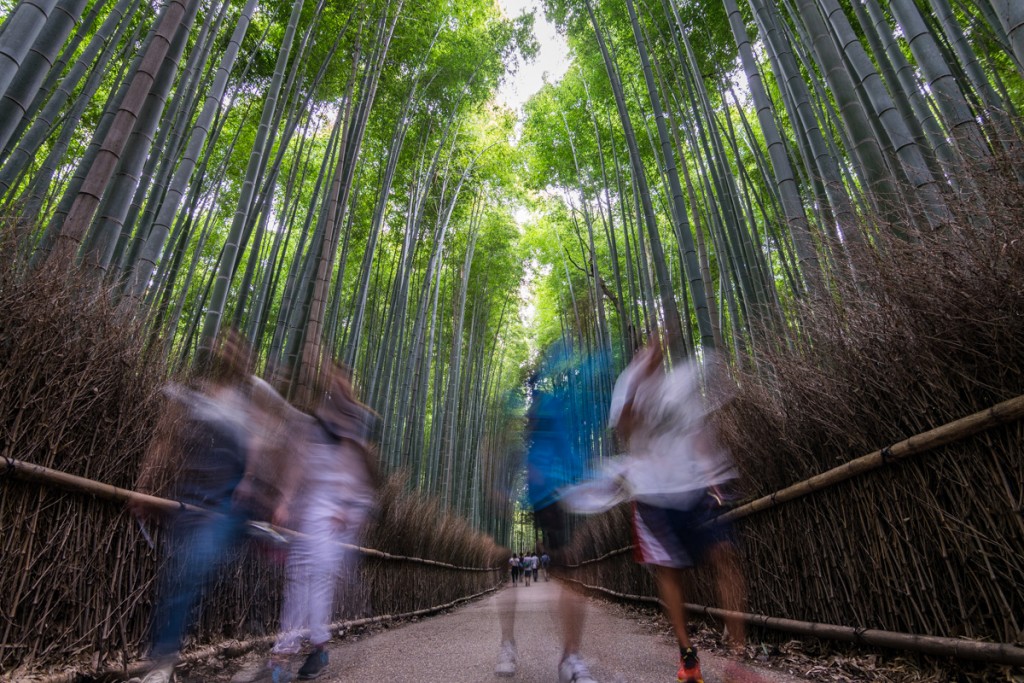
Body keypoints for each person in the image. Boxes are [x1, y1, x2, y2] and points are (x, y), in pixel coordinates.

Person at [608, 339, 750, 683]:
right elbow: (625, 429)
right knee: (670, 573)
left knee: (726, 556)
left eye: (655, 350)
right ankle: (688, 657)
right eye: (643, 351)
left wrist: (714, 474)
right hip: (653, 494)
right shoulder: (627, 383)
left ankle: (738, 658)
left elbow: (696, 431)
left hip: (694, 487)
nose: (652, 353)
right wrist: (639, 379)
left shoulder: (679, 383)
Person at [238, 364, 379, 682]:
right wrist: (286, 501)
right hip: (307, 512)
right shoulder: (312, 426)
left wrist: (346, 508)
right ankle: (315, 648)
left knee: (310, 581)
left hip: (334, 516)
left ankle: (283, 656)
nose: (334, 392)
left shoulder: (356, 429)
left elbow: (361, 482)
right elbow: (296, 468)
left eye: (340, 386)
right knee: (304, 581)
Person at [135, 336, 258, 683]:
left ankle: (163, 663)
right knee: (177, 575)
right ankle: (163, 660)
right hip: (185, 498)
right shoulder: (192, 393)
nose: (230, 352)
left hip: (223, 506)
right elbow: (165, 440)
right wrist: (145, 487)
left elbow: (256, 453)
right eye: (225, 345)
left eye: (238, 347)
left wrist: (248, 482)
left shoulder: (244, 406)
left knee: (190, 572)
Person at [495, 345, 599, 683]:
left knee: (571, 571)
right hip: (543, 496)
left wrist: (584, 478)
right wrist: (504, 487)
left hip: (562, 494)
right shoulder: (518, 406)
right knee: (513, 573)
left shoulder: (554, 402)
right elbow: (506, 451)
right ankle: (509, 644)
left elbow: (565, 445)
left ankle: (570, 656)